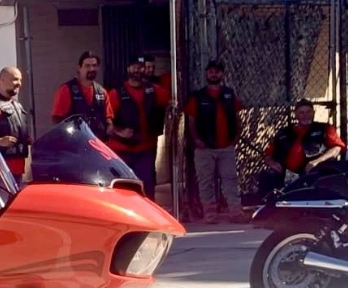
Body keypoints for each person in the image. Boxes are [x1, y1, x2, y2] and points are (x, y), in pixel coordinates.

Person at [184, 59, 246, 223]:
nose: (214, 74)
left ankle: (235, 211)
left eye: (217, 71)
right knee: (206, 181)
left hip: (226, 147)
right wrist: (196, 140)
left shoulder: (229, 94)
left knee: (230, 179)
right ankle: (210, 213)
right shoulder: (198, 97)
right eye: (211, 71)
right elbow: (190, 121)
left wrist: (236, 138)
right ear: (206, 73)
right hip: (204, 148)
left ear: (222, 74)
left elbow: (238, 117)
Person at [106, 54, 171, 198]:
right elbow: (106, 124)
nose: (137, 70)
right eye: (134, 66)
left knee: (147, 185)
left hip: (145, 149)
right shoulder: (116, 94)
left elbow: (171, 101)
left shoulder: (153, 90)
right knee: (123, 188)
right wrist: (120, 132)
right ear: (128, 69)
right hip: (122, 150)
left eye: (141, 67)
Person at [257, 99, 345, 199]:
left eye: (308, 112)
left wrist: (317, 161)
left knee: (318, 176)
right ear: (296, 115)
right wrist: (272, 163)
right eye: (301, 112)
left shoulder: (324, 128)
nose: (305, 115)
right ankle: (266, 206)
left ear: (313, 113)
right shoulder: (284, 132)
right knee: (267, 175)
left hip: (313, 169)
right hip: (286, 172)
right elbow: (268, 154)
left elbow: (337, 148)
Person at [52, 51, 108, 140]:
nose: (91, 69)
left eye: (94, 65)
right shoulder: (67, 89)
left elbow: (108, 119)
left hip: (97, 144)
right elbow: (57, 119)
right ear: (79, 68)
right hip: (75, 144)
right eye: (87, 66)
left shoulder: (102, 92)